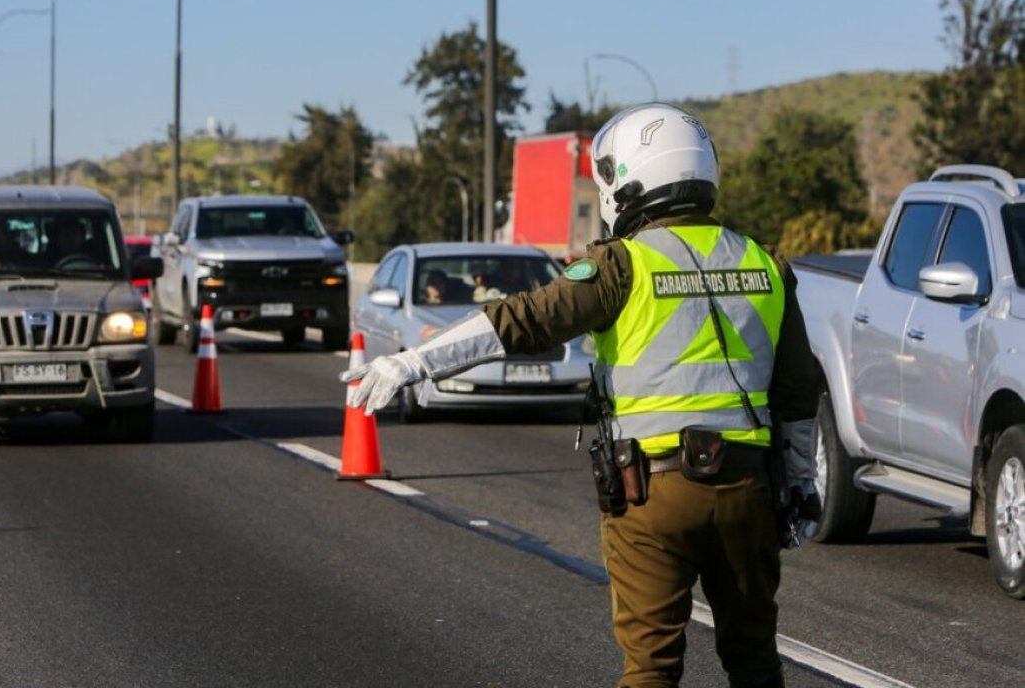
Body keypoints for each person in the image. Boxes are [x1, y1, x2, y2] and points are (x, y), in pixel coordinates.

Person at [343, 103, 821, 688]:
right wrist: (799, 486)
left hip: (653, 493)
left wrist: (415, 361)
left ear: (629, 179)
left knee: (651, 668)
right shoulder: (767, 265)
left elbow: (518, 321)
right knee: (753, 663)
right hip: (747, 492)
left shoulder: (623, 264)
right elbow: (799, 392)